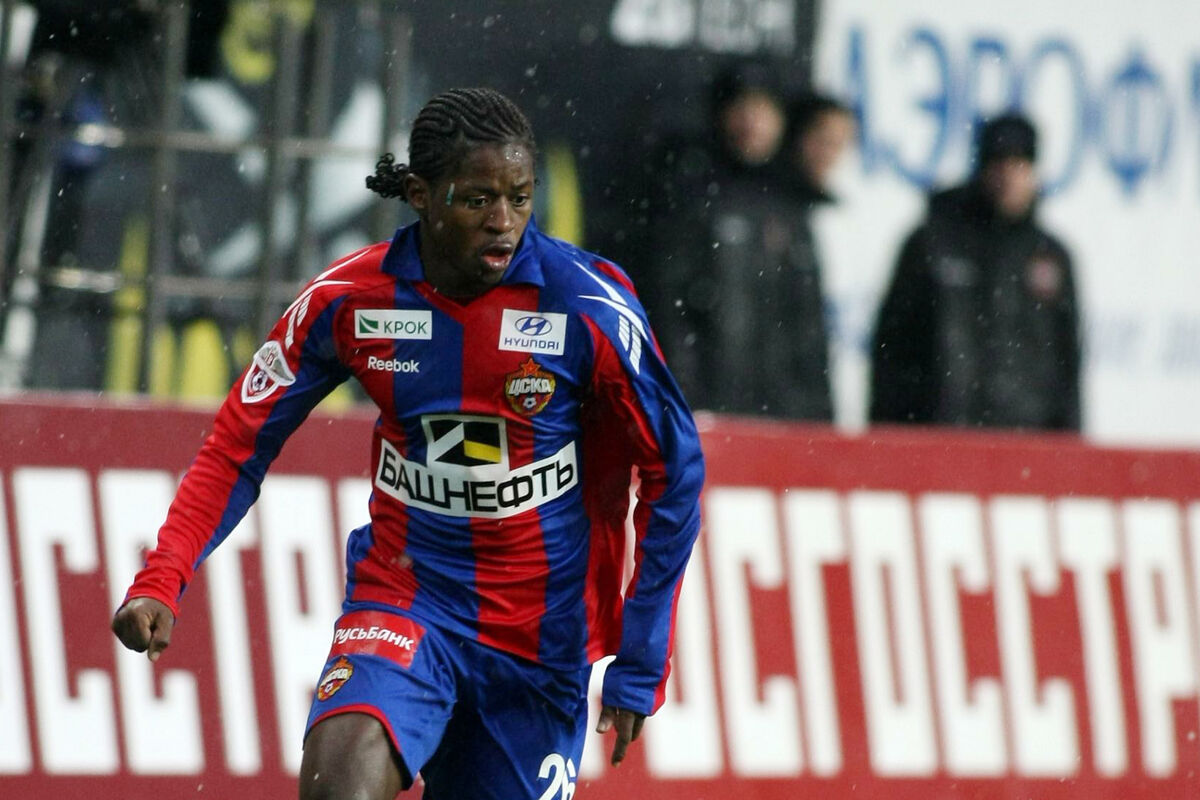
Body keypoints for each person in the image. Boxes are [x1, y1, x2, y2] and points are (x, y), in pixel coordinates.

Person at [111, 87, 706, 800]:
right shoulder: (348, 300)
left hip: (541, 644)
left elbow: (675, 473)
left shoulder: (588, 307)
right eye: (478, 199)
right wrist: (163, 577)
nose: (504, 222)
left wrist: (642, 655)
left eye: (520, 198)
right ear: (421, 195)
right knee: (337, 785)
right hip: (406, 601)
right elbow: (238, 444)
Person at [644, 63, 839, 420]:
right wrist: (683, 401)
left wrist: (819, 416)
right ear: (720, 115)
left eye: (764, 109)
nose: (752, 123)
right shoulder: (692, 198)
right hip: (710, 412)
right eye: (742, 108)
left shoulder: (792, 206)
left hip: (783, 417)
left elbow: (809, 329)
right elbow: (670, 310)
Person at [868, 112, 1082, 430]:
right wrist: (888, 436)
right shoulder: (932, 244)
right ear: (981, 169)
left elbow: (1067, 367)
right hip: (940, 435)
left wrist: (1068, 446)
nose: (1008, 177)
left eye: (1020, 165)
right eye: (999, 164)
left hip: (1024, 438)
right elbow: (892, 351)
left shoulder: (1051, 257)